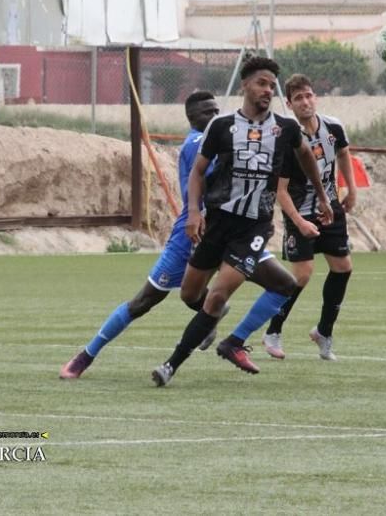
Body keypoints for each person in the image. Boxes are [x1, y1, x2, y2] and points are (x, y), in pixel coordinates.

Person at [60, 90, 283, 379]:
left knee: (283, 283)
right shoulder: (197, 142)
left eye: (216, 110)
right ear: (192, 118)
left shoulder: (224, 138)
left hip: (236, 230)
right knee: (144, 301)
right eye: (207, 112)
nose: (214, 116)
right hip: (192, 234)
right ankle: (85, 356)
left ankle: (233, 339)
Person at [151, 56, 332, 386]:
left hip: (253, 228)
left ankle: (171, 365)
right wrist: (193, 212)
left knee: (218, 295)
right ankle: (224, 337)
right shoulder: (221, 127)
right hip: (218, 223)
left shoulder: (285, 128)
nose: (267, 90)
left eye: (272, 86)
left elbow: (306, 156)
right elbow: (197, 172)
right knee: (190, 294)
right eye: (262, 83)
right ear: (244, 85)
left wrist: (321, 195)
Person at [254, 73, 356, 361]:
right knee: (302, 274)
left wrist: (351, 189)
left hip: (331, 208)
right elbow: (280, 191)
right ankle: (273, 330)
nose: (305, 101)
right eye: (298, 98)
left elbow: (344, 153)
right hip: (300, 212)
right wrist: (299, 222)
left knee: (343, 267)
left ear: (316, 97)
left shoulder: (333, 126)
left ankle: (324, 331)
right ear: (289, 104)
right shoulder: (288, 140)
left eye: (309, 95)